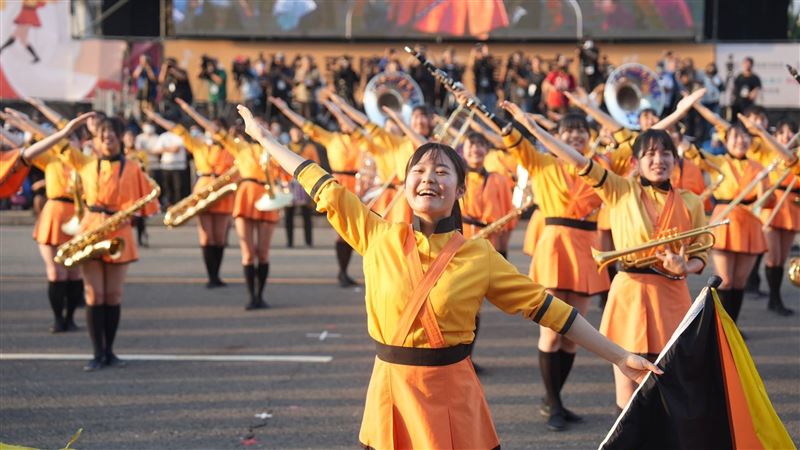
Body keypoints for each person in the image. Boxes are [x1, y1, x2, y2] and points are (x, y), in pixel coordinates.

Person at [236, 103, 661, 449]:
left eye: (442, 172)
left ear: (460, 189)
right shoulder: (377, 234)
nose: (428, 179)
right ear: (404, 187)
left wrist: (620, 357)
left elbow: (553, 312)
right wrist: (265, 139)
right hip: (391, 393)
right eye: (418, 172)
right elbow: (321, 184)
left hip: (454, 397)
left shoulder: (480, 255)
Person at [505, 103, 708, 418]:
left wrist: (687, 267)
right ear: (636, 162)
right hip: (630, 292)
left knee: (667, 379)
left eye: (665, 153)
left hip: (673, 294)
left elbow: (700, 254)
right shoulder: (619, 189)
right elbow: (578, 159)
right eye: (650, 155)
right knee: (627, 386)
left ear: (675, 159)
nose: (658, 160)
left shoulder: (692, 201)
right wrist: (532, 128)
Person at [22, 113, 160, 371]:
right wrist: (33, 123)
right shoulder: (84, 163)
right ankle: (97, 353)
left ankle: (110, 351)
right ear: (95, 141)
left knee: (113, 295)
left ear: (120, 138)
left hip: (119, 232)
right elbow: (49, 141)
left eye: (112, 135)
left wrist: (129, 214)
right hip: (90, 231)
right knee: (94, 295)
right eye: (102, 136)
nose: (107, 139)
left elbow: (148, 205)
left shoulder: (132, 167)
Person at [178, 100, 277, 308]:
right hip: (246, 196)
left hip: (268, 196)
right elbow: (215, 130)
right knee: (248, 252)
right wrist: (190, 111)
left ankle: (261, 294)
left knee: (263, 252)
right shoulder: (239, 146)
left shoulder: (275, 149)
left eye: (262, 125)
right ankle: (252, 296)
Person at [270, 95, 364, 287]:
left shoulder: (362, 140)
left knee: (360, 229)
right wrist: (287, 110)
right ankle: (342, 272)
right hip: (340, 183)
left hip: (359, 183)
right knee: (342, 231)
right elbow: (307, 126)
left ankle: (347, 271)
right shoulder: (332, 138)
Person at [145, 106, 235, 288]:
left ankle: (217, 274)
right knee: (206, 236)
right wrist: (155, 117)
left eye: (217, 128)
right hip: (203, 190)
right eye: (210, 128)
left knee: (219, 238)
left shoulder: (231, 147)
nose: (213, 132)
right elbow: (178, 130)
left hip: (223, 191)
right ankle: (211, 276)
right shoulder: (200, 145)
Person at [280, 125, 320, 248]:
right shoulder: (286, 148)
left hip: (305, 184)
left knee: (306, 214)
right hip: (289, 184)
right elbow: (280, 165)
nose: (296, 135)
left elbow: (316, 164)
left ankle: (308, 241)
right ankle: (289, 241)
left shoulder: (309, 147)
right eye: (294, 132)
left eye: (298, 132)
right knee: (289, 215)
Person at [122, 129, 150, 247]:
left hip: (137, 185)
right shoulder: (121, 154)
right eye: (127, 138)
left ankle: (141, 236)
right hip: (124, 186)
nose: (130, 140)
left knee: (140, 215)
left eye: (131, 138)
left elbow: (145, 168)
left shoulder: (140, 153)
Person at [153, 127, 188, 208]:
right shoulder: (163, 136)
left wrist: (164, 149)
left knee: (178, 188)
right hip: (166, 166)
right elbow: (156, 150)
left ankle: (179, 206)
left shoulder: (180, 135)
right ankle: (169, 205)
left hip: (179, 166)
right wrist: (169, 149)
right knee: (167, 188)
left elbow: (176, 149)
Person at [131, 55, 159, 119]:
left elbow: (153, 78)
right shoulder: (139, 67)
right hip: (141, 91)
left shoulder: (154, 68)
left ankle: (149, 119)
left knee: (150, 108)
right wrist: (141, 66)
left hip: (151, 92)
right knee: (139, 107)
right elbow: (135, 75)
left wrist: (148, 68)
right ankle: (140, 119)